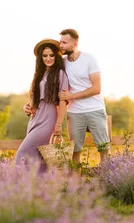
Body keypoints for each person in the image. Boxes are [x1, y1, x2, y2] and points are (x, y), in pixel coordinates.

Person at [58, 29, 110, 164]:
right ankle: (77, 184)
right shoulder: (62, 63)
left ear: (74, 43)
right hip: (75, 113)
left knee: (103, 149)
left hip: (95, 109)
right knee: (75, 152)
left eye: (64, 42)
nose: (61, 45)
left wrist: (72, 95)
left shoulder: (89, 59)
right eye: (60, 42)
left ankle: (107, 181)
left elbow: (96, 88)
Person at [16, 38, 69, 171]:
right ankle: (37, 188)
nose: (48, 58)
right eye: (45, 56)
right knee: (37, 156)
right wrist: (27, 106)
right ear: (40, 57)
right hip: (35, 118)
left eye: (51, 55)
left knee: (22, 152)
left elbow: (63, 101)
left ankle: (18, 182)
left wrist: (58, 123)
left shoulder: (60, 74)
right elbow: (36, 97)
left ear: (56, 56)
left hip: (49, 117)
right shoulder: (39, 74)